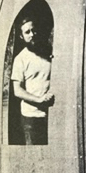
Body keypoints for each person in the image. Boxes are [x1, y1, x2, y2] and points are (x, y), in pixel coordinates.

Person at [11, 16, 54, 145]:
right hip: (31, 118)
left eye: (33, 30)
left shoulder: (49, 52)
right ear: (21, 37)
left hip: (52, 114)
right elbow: (17, 91)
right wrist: (39, 99)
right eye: (27, 32)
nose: (32, 34)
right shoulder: (21, 59)